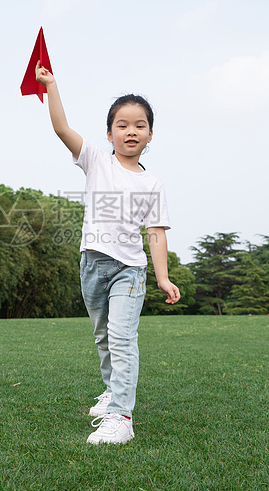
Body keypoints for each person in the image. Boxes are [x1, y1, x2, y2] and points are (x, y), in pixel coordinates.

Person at [35, 61, 180, 445]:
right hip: (91, 265)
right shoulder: (96, 161)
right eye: (122, 124)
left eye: (140, 125)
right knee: (103, 338)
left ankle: (121, 417)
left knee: (121, 337)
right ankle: (110, 392)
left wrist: (162, 277)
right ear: (109, 133)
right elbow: (61, 128)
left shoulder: (152, 183)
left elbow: (156, 233)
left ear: (150, 134)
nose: (131, 131)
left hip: (129, 271)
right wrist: (50, 85)